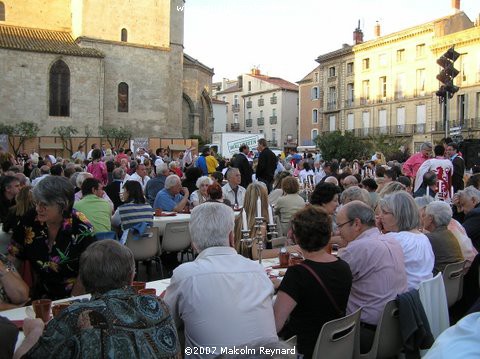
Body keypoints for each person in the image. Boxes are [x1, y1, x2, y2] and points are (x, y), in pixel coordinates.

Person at [16, 240, 180, 358]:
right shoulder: (157, 305)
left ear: (84, 280)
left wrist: (35, 330)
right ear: (132, 276)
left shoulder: (76, 316)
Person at [164, 202, 277, 357]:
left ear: (193, 242)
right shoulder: (257, 270)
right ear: (231, 237)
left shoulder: (185, 275)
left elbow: (167, 322)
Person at [274, 206, 352, 359]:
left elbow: (275, 324)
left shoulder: (298, 274)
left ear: (296, 238)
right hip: (336, 344)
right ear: (329, 234)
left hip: (301, 348)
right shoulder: (343, 266)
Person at [336, 201, 407, 353]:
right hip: (397, 327)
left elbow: (329, 280)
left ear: (356, 224)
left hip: (365, 334)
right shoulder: (392, 241)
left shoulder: (358, 248)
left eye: (340, 226)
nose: (337, 232)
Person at [9, 176, 96, 299]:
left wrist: (71, 304)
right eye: (37, 203)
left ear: (63, 205)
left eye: (44, 204)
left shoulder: (82, 228)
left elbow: (87, 272)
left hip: (74, 297)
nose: (38, 208)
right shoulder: (30, 220)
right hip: (39, 297)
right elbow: (14, 256)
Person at [377, 191, 434, 289]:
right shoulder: (424, 238)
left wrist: (375, 232)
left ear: (399, 215)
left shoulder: (393, 240)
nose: (380, 216)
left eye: (385, 212)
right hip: (424, 296)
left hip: (402, 299)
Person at [423, 201, 464, 274]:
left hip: (438, 282)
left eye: (424, 215)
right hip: (453, 283)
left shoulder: (429, 239)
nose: (423, 218)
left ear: (430, 218)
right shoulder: (450, 234)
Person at [454, 186, 480, 251]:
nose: (462, 209)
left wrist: (458, 214)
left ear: (473, 200)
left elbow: (458, 235)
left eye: (463, 205)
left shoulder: (476, 214)